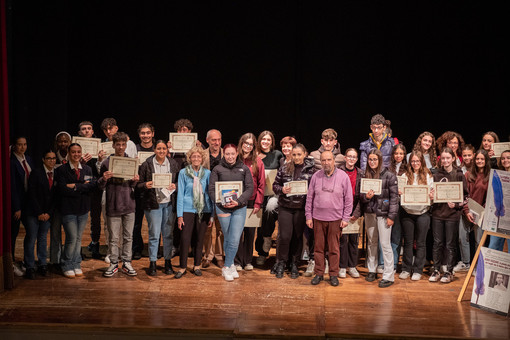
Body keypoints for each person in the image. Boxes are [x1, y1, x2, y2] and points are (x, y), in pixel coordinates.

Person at [305, 151, 353, 287]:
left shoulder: (343, 177)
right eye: (323, 160)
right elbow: (310, 198)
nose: (326, 163)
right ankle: (319, 273)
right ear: (321, 161)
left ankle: (333, 274)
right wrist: (308, 216)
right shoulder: (315, 176)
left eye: (329, 160)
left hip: (336, 219)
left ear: (334, 160)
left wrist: (346, 218)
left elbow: (348, 200)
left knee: (334, 249)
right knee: (318, 249)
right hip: (318, 218)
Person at [208, 144, 254, 282]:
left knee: (234, 238)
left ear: (237, 153)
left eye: (232, 154)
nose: (230, 156)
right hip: (222, 207)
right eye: (227, 154)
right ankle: (231, 265)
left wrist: (238, 201)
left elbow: (250, 188)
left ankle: (227, 266)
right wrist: (221, 202)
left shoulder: (244, 168)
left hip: (239, 207)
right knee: (228, 237)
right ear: (223, 154)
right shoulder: (217, 169)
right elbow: (211, 190)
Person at [98, 132, 140, 277]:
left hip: (129, 204)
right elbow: (100, 186)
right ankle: (114, 263)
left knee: (128, 236)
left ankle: (127, 262)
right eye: (118, 144)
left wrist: (135, 179)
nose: (121, 147)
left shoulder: (132, 162)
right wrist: (103, 178)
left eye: (123, 144)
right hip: (113, 205)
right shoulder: (106, 163)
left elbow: (134, 184)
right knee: (114, 238)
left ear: (126, 145)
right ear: (113, 145)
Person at [273, 144, 315, 279]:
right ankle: (281, 262)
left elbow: (315, 188)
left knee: (297, 237)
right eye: (294, 154)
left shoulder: (312, 170)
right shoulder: (284, 168)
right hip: (285, 207)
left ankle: (294, 263)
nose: (296, 157)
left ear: (305, 155)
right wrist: (281, 190)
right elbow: (275, 185)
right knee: (284, 236)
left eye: (299, 154)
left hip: (301, 208)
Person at [137, 140, 179, 276]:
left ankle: (168, 263)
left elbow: (179, 181)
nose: (161, 151)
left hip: (168, 203)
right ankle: (153, 263)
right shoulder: (146, 164)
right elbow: (138, 184)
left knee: (168, 235)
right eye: (159, 149)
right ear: (154, 150)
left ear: (167, 150)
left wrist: (175, 185)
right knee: (154, 234)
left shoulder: (173, 164)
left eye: (164, 149)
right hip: (153, 204)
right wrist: (145, 185)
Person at [55, 143, 96, 278]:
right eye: (73, 152)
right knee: (71, 238)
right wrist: (81, 187)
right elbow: (62, 189)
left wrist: (74, 187)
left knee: (78, 238)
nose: (76, 154)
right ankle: (66, 264)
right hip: (68, 209)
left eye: (78, 152)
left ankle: (76, 263)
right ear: (68, 153)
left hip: (83, 209)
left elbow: (91, 187)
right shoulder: (61, 170)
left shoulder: (87, 169)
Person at [360, 149, 399, 288]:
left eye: (375, 159)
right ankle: (372, 269)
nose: (372, 162)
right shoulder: (365, 175)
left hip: (384, 215)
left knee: (385, 244)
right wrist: (366, 197)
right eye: (370, 159)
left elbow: (394, 198)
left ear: (380, 160)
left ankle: (388, 275)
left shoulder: (389, 176)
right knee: (371, 242)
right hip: (370, 213)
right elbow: (361, 196)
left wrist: (391, 216)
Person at [429, 147, 468, 284]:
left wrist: (456, 205)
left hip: (452, 215)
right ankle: (436, 269)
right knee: (437, 243)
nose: (445, 160)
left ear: (453, 158)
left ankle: (449, 271)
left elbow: (465, 197)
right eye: (443, 158)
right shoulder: (436, 174)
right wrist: (431, 197)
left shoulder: (459, 174)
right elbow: (431, 195)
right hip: (437, 214)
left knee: (450, 244)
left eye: (448, 158)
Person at [175, 146, 214, 278]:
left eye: (199, 156)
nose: (196, 159)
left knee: (199, 239)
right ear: (190, 158)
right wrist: (180, 215)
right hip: (187, 209)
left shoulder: (208, 173)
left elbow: (210, 194)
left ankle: (197, 265)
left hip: (204, 210)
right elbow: (180, 194)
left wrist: (212, 215)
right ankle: (182, 267)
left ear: (202, 159)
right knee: (185, 239)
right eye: (194, 156)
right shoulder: (183, 173)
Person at [454, 149, 491, 273]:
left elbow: (490, 197)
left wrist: (482, 212)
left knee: (478, 240)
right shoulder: (468, 175)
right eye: (478, 159)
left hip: (481, 214)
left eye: (482, 159)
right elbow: (465, 195)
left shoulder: (490, 176)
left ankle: (477, 266)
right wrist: (467, 211)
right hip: (467, 212)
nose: (479, 161)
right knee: (462, 238)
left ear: (486, 161)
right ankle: (466, 263)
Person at [399, 151, 433, 281]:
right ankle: (406, 269)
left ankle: (418, 270)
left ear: (422, 162)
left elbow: (432, 192)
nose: (415, 163)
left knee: (421, 242)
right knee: (407, 242)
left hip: (423, 212)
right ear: (410, 162)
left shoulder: (428, 175)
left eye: (417, 161)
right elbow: (400, 193)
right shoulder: (404, 175)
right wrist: (399, 192)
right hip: (408, 212)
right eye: (413, 161)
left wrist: (432, 196)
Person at [23, 150, 57, 279]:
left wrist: (48, 213)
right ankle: (30, 266)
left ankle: (43, 264)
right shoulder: (36, 173)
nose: (52, 161)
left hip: (47, 214)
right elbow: (31, 194)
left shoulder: (56, 174)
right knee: (31, 238)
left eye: (54, 158)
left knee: (43, 239)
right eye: (49, 158)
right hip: (33, 213)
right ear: (43, 159)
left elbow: (55, 197)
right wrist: (39, 212)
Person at [235, 133, 265, 271]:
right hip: (236, 201)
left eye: (251, 144)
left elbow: (261, 184)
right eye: (245, 143)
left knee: (250, 232)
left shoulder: (258, 161)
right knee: (237, 232)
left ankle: (247, 261)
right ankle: (237, 261)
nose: (248, 146)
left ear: (254, 146)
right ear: (241, 143)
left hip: (252, 201)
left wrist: (258, 203)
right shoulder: (235, 159)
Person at [79, 120, 107, 260]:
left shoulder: (99, 146)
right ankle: (77, 249)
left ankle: (95, 244)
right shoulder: (76, 147)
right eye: (83, 129)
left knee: (96, 218)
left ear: (92, 130)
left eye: (89, 128)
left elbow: (101, 170)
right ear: (79, 133)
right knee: (79, 218)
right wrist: (81, 162)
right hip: (81, 188)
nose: (86, 131)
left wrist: (100, 160)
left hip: (95, 187)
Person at [255, 131, 283, 266]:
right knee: (258, 226)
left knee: (269, 214)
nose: (265, 142)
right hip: (258, 194)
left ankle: (265, 247)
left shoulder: (277, 155)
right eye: (263, 139)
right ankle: (260, 253)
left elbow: (283, 171)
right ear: (259, 141)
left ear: (272, 142)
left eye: (268, 139)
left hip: (273, 194)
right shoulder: (254, 155)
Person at [10, 136, 34, 276]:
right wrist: (17, 207)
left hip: (28, 203)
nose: (22, 147)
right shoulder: (12, 162)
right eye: (19, 145)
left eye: (25, 144)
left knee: (31, 232)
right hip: (18, 205)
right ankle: (11, 263)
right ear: (14, 146)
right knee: (13, 234)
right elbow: (13, 186)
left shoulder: (28, 159)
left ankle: (28, 261)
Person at [201, 129, 225, 268]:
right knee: (208, 228)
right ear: (207, 140)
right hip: (206, 196)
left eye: (218, 140)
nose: (216, 142)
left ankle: (219, 256)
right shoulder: (202, 155)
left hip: (223, 196)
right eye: (213, 140)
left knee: (221, 228)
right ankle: (208, 256)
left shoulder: (226, 153)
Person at [132, 123, 155, 260]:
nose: (145, 135)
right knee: (136, 223)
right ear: (139, 135)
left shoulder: (158, 148)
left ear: (152, 133)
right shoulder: (134, 149)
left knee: (155, 223)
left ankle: (155, 248)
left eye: (148, 133)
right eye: (143, 133)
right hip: (138, 190)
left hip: (153, 191)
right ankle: (137, 249)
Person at [339, 148, 363, 278]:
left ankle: (352, 266)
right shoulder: (338, 171)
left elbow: (362, 196)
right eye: (349, 156)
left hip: (355, 210)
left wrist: (357, 212)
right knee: (342, 239)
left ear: (357, 159)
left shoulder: (361, 173)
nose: (352, 159)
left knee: (354, 240)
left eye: (354, 157)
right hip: (341, 209)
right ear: (345, 158)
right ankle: (342, 266)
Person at [487, 150, 510, 253]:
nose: (505, 160)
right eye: (503, 158)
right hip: (499, 217)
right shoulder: (498, 175)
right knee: (493, 246)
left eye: (508, 158)